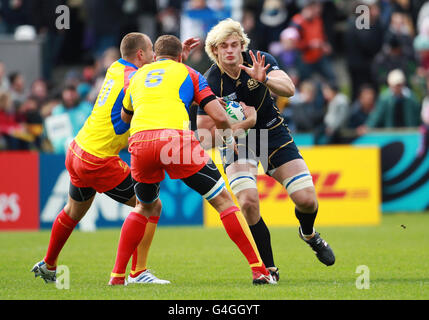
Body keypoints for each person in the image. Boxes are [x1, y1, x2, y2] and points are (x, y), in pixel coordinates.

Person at [31, 32, 200, 285]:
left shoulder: (115, 68)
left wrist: (173, 60)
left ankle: (49, 264)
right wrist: (176, 64)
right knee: (151, 205)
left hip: (78, 149)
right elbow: (156, 88)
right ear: (141, 54)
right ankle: (137, 272)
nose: (155, 56)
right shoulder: (134, 79)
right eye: (151, 52)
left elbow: (151, 77)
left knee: (73, 211)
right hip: (99, 159)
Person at [109, 34, 275, 286]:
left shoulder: (136, 77)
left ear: (155, 56)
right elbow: (218, 117)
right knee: (223, 201)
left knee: (143, 207)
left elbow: (125, 116)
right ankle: (259, 270)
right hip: (175, 141)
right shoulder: (191, 74)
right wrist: (231, 138)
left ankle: (118, 276)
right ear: (179, 56)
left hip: (140, 142)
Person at [196, 19, 336, 282]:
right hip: (237, 142)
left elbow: (290, 89)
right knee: (248, 202)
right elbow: (204, 137)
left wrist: (266, 79)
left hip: (272, 132)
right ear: (214, 50)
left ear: (242, 46)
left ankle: (308, 234)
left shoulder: (259, 59)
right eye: (223, 46)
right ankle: (269, 269)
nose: (230, 51)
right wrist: (244, 124)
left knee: (307, 200)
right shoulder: (208, 82)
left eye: (235, 45)